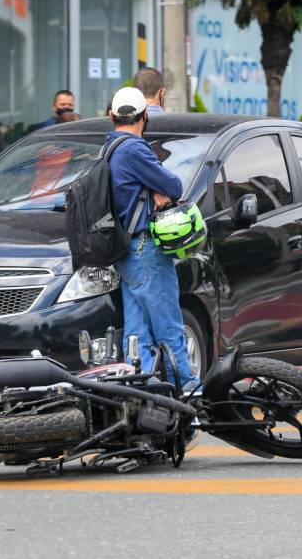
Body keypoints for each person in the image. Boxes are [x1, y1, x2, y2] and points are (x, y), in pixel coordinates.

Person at [106, 86, 196, 389]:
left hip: (126, 252)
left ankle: (143, 394)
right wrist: (157, 188)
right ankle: (189, 393)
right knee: (168, 326)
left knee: (137, 332)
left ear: (111, 116)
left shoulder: (109, 148)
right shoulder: (134, 148)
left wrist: (149, 188)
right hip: (146, 249)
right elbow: (174, 185)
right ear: (145, 115)